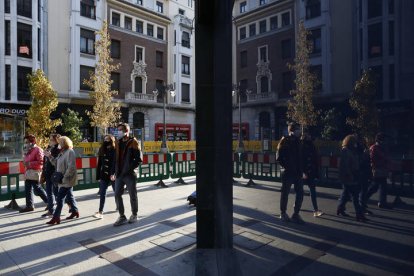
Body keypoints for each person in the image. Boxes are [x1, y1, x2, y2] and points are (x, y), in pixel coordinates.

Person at [113, 123, 142, 226]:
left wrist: (129, 169)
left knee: (132, 195)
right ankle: (122, 216)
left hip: (129, 174)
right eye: (118, 130)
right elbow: (115, 159)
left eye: (121, 130)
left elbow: (139, 159)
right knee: (117, 194)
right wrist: (114, 171)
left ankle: (134, 214)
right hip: (119, 173)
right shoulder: (118, 142)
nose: (119, 132)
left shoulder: (133, 142)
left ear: (127, 131)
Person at [45, 136, 79, 225]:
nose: (58, 144)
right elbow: (56, 163)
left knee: (60, 198)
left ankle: (56, 217)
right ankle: (75, 211)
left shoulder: (70, 152)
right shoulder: (62, 152)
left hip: (67, 180)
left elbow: (71, 167)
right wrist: (49, 156)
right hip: (62, 180)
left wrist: (64, 178)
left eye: (60, 143)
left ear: (64, 143)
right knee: (68, 196)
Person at [276, 123, 304, 224]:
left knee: (300, 193)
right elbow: (278, 157)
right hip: (288, 172)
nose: (299, 131)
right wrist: (287, 167)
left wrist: (302, 170)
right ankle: (283, 213)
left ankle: (296, 214)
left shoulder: (299, 142)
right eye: (297, 129)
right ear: (292, 130)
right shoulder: (284, 140)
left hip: (297, 172)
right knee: (285, 193)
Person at [337, 135, 367, 222]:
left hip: (353, 174)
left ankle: (340, 208)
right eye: (354, 141)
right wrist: (349, 174)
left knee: (346, 194)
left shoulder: (352, 150)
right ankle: (359, 215)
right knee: (355, 196)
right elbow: (345, 165)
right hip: (349, 175)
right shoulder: (346, 150)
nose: (356, 143)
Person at [19, 135, 48, 213]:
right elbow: (25, 160)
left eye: (27, 142)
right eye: (24, 142)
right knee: (28, 189)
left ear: (32, 142)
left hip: (35, 172)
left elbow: (41, 162)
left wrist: (29, 164)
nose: (25, 144)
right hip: (28, 172)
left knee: (37, 189)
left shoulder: (38, 149)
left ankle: (49, 202)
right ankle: (29, 206)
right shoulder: (27, 150)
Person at [365, 132, 392, 209]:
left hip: (382, 169)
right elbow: (373, 160)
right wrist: (382, 162)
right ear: (380, 140)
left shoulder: (381, 147)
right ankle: (364, 199)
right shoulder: (374, 148)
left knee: (378, 186)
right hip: (377, 169)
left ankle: (381, 202)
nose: (386, 141)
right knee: (376, 186)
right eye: (384, 140)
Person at [300, 132, 323, 217]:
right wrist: (303, 171)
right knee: (301, 191)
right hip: (305, 171)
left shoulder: (310, 145)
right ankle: (298, 206)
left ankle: (315, 209)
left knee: (310, 190)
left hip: (310, 171)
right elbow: (301, 160)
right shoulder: (303, 145)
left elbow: (315, 158)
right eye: (308, 134)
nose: (309, 136)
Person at [94, 134, 117, 219]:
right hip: (104, 174)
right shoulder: (102, 149)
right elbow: (99, 164)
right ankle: (100, 211)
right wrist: (98, 176)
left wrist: (114, 173)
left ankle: (118, 206)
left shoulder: (115, 149)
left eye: (108, 139)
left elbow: (116, 163)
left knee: (116, 192)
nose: (106, 141)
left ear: (112, 140)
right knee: (103, 193)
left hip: (113, 174)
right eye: (105, 139)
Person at [41, 134, 62, 218]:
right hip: (47, 173)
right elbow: (45, 161)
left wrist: (49, 155)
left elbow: (57, 162)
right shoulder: (49, 148)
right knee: (49, 192)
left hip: (54, 174)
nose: (50, 141)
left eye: (51, 139)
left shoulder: (58, 149)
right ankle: (51, 210)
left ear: (56, 140)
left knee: (57, 193)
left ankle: (71, 208)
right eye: (50, 139)